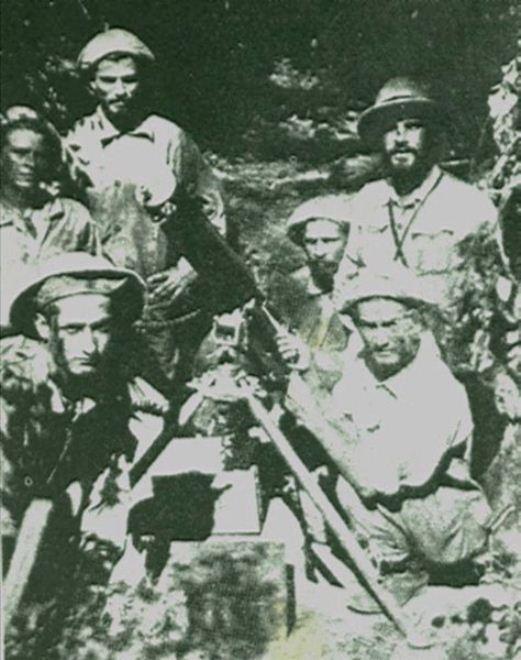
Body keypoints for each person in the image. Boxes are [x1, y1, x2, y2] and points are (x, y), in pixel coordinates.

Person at [290, 268, 493, 605]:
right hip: (405, 514)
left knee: (350, 483)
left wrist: (313, 419)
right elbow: (342, 402)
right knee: (333, 472)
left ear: (417, 325)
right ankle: (390, 567)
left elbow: (376, 482)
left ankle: (420, 571)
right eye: (369, 326)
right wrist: (306, 364)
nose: (379, 338)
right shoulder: (365, 366)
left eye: (391, 324)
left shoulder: (437, 388)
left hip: (447, 530)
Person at [65, 28, 226, 387]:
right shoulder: (75, 143)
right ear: (92, 85)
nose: (120, 90)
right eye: (108, 81)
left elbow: (212, 210)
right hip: (98, 293)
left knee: (166, 389)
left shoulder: (169, 138)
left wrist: (187, 272)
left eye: (130, 80)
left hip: (159, 294)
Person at [1, 252, 168, 579]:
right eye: (73, 329)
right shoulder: (12, 389)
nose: (90, 345)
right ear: (42, 327)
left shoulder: (106, 378)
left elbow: (108, 481)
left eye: (101, 328)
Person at [334, 77, 498, 308]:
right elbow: (344, 283)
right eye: (390, 129)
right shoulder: (368, 200)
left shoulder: (470, 205)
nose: (400, 139)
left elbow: (492, 295)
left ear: (431, 133)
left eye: (412, 126)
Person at [0, 107, 100, 329]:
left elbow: (96, 286)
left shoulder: (72, 217)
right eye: (19, 152)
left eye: (40, 155)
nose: (30, 163)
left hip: (60, 348)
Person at [270, 195, 360, 390]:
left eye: (329, 241)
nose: (319, 251)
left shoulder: (367, 288)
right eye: (311, 242)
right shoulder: (292, 288)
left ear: (349, 241)